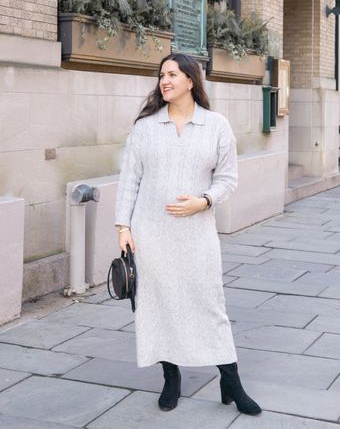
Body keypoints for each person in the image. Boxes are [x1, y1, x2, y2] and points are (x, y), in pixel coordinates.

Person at [115, 53, 261, 416]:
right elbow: (129, 180)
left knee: (209, 305)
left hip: (196, 234)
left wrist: (204, 201)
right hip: (151, 234)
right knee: (160, 304)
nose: (164, 80)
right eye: (161, 75)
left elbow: (227, 178)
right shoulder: (145, 128)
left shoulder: (215, 125)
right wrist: (123, 227)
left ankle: (230, 379)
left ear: (191, 81)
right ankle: (171, 378)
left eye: (173, 74)